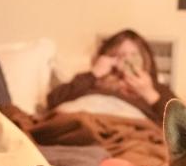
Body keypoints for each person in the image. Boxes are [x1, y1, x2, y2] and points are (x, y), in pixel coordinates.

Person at [46, 29, 176, 123]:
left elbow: (180, 126)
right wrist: (93, 74)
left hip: (126, 133)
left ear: (145, 59)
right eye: (119, 55)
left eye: (133, 55)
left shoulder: (157, 90)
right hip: (79, 124)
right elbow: (53, 101)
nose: (127, 61)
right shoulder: (89, 82)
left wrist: (149, 93)